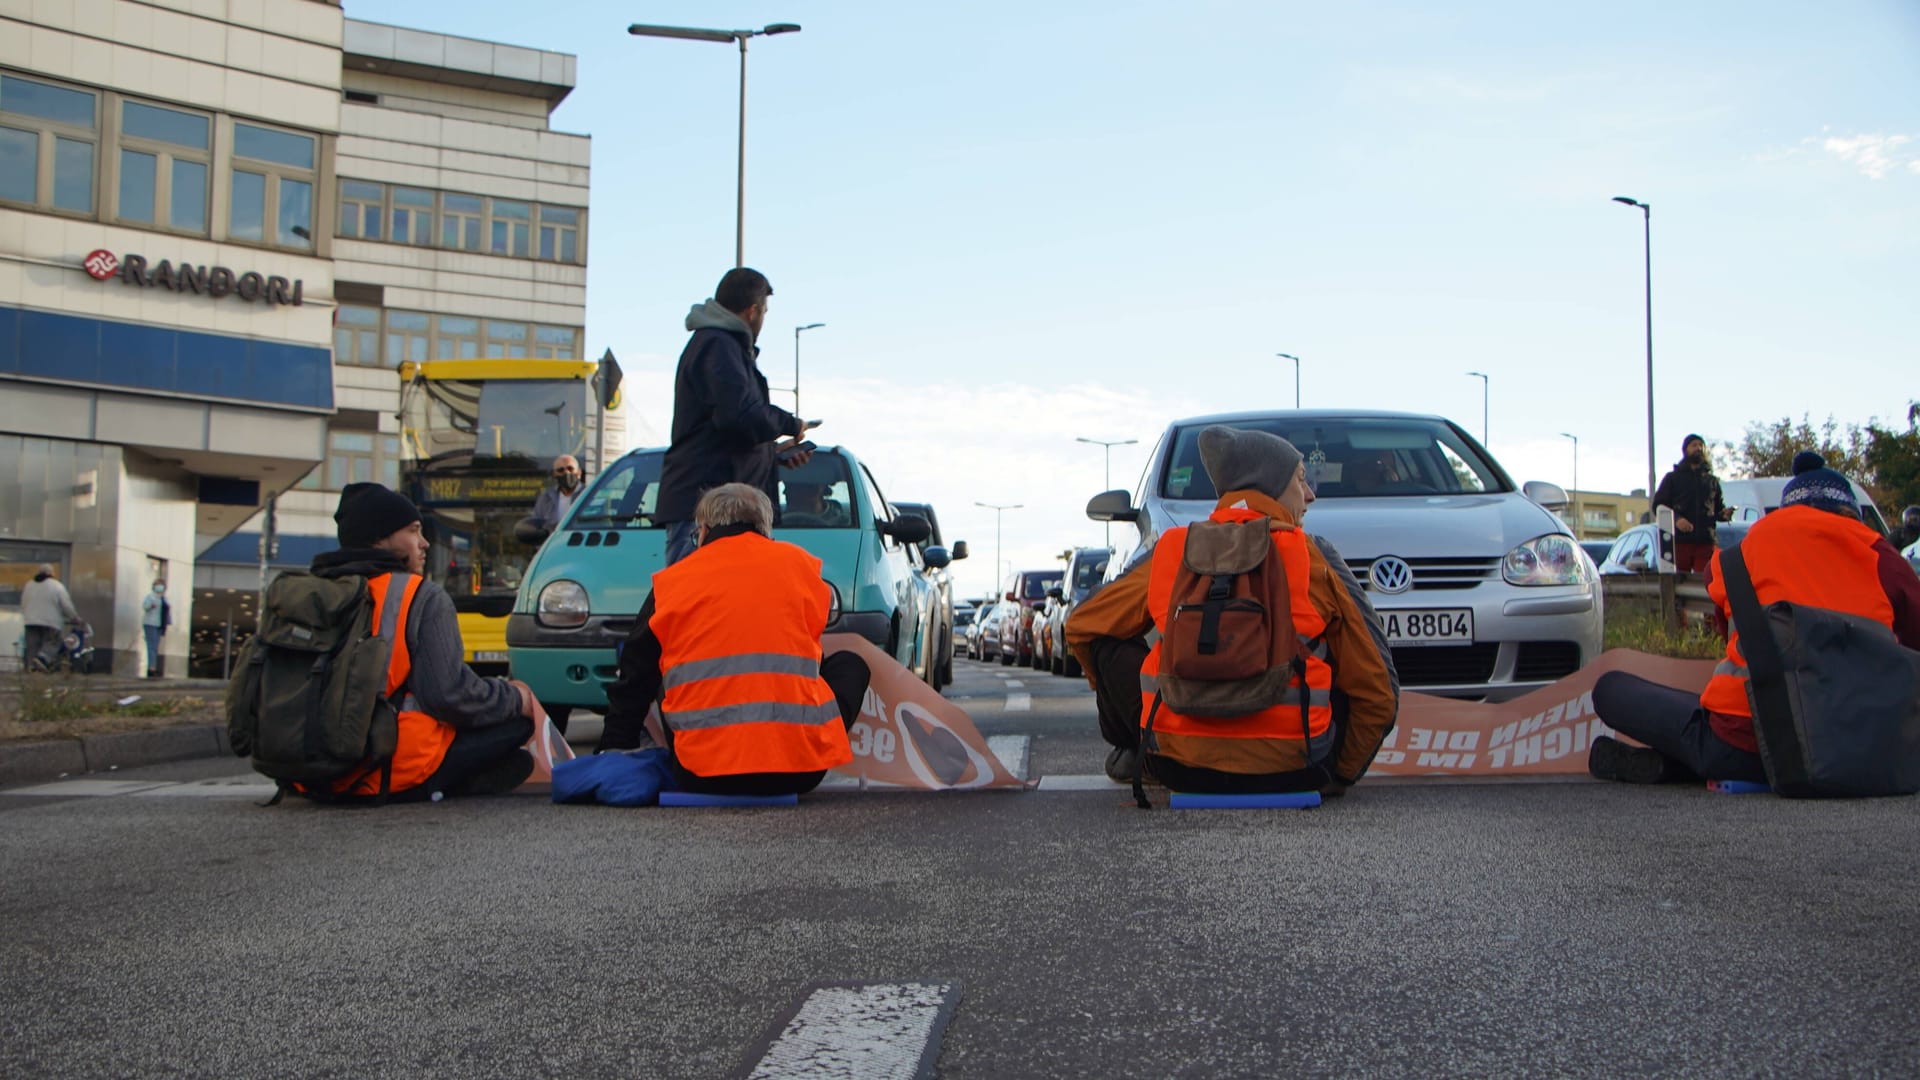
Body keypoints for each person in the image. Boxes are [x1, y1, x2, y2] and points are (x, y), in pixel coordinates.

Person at [1066, 426, 1399, 795]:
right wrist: (1341, 772)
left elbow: (1082, 625)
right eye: (1301, 480)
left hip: (1178, 769)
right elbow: (1379, 689)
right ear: (1270, 486)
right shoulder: (1313, 556)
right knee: (1344, 654)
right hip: (1297, 768)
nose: (1310, 495)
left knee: (1108, 644)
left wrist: (1133, 724)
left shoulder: (1173, 551)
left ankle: (1133, 752)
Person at [1589, 452, 1920, 785]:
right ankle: (1681, 766)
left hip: (1746, 742)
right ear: (1850, 511)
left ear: (1788, 509)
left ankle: (1681, 764)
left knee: (1611, 689)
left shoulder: (1743, 551)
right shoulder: (1881, 555)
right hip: (1862, 746)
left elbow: (1725, 627)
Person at [598, 483, 868, 797]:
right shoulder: (804, 569)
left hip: (700, 774)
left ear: (703, 530)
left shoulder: (673, 582)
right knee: (850, 664)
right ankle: (803, 745)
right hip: (800, 774)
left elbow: (635, 673)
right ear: (765, 528)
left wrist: (614, 747)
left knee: (663, 661)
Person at [308, 482, 543, 800]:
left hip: (303, 769)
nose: (425, 543)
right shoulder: (419, 595)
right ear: (380, 538)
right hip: (382, 765)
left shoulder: (307, 592)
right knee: (517, 724)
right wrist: (516, 699)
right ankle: (446, 782)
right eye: (414, 531)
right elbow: (449, 695)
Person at [656, 267, 816, 566]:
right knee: (692, 603)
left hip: (720, 507)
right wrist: (792, 424)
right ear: (752, 311)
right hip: (708, 510)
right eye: (765, 312)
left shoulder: (720, 347)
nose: (764, 320)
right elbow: (740, 415)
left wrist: (772, 455)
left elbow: (726, 431)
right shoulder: (718, 346)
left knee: (717, 606)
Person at [1651, 433, 1732, 573]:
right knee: (1680, 583)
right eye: (1694, 445)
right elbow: (1659, 505)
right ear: (1686, 450)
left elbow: (1717, 509)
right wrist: (1676, 520)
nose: (1698, 448)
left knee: (1704, 583)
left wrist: (1725, 514)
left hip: (1705, 542)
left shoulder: (1712, 481)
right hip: (1680, 542)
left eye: (1701, 445)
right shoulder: (1673, 478)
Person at [20, 564, 81, 672]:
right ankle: (42, 659)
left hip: (30, 621)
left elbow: (23, 603)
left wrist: (27, 615)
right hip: (51, 622)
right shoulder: (57, 586)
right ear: (51, 573)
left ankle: (31, 669)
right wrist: (74, 617)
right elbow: (66, 605)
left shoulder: (29, 585)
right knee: (53, 642)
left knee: (33, 646)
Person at [528, 454, 584, 533]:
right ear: (554, 474)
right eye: (561, 470)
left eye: (570, 468)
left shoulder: (590, 495)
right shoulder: (546, 497)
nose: (566, 473)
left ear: (579, 472)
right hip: (554, 543)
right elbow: (536, 525)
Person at [140, 580, 170, 678]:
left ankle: (152, 667)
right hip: (150, 623)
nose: (159, 587)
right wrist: (151, 605)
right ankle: (151, 668)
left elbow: (166, 611)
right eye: (158, 585)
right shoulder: (150, 597)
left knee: (155, 647)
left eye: (161, 585)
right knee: (151, 646)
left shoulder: (164, 599)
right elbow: (145, 606)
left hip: (159, 625)